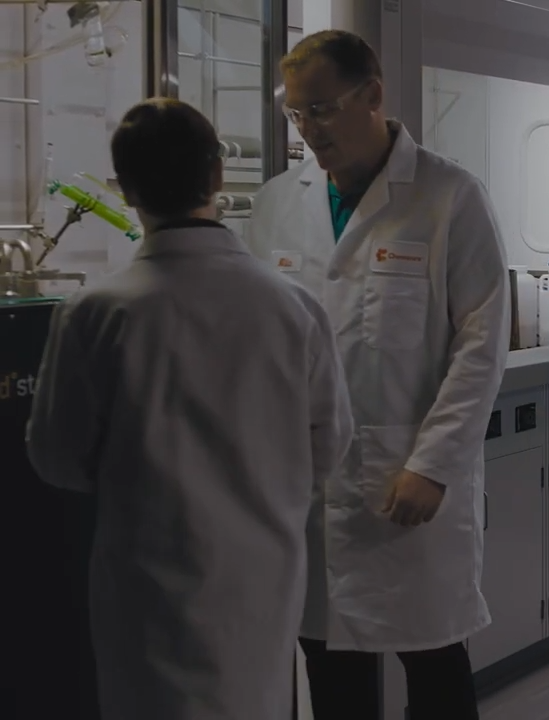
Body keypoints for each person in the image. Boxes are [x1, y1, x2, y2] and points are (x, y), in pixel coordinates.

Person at [25, 98, 353, 720]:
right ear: (217, 177)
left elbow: (57, 458)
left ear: (123, 190)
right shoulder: (292, 308)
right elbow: (328, 446)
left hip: (145, 591)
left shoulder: (96, 313)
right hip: (262, 584)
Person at [245, 30, 510, 719]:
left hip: (408, 481)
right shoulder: (277, 203)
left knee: (435, 667)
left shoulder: (449, 197)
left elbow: (481, 345)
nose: (309, 130)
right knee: (331, 670)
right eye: (296, 114)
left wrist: (434, 464)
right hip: (309, 486)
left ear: (373, 96)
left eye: (323, 110)